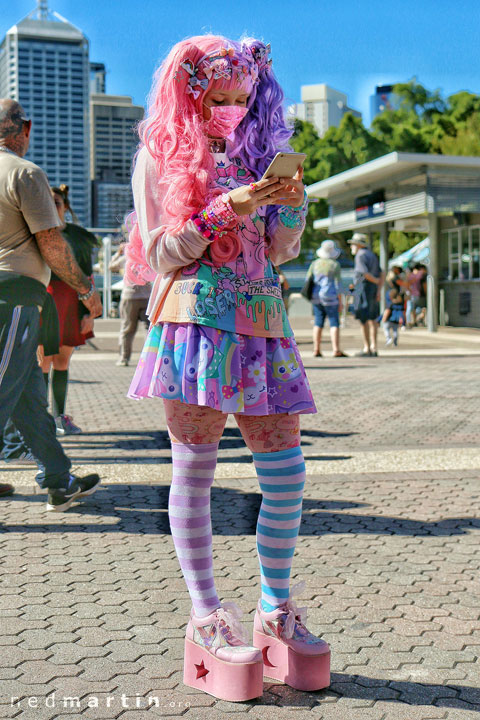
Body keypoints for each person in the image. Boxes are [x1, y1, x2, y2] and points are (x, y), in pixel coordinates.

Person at [125, 36, 330, 701]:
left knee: (288, 475)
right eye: (220, 99)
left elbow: (278, 252)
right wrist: (226, 208)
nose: (234, 111)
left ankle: (275, 607)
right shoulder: (159, 157)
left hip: (263, 327)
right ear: (190, 94)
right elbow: (161, 253)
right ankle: (207, 615)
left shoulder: (253, 153)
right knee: (196, 470)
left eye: (244, 99)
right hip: (193, 325)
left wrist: (290, 206)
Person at [0, 99, 102, 510]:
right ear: (24, 129)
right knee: (6, 389)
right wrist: (83, 288)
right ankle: (59, 479)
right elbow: (51, 242)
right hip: (15, 295)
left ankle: (59, 480)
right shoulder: (24, 173)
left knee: (26, 394)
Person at [40, 185, 99, 435]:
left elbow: (88, 274)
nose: (53, 206)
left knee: (63, 360)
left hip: (73, 300)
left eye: (57, 202)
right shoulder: (38, 232)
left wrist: (90, 314)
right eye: (49, 202)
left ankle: (59, 417)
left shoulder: (79, 235)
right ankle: (40, 420)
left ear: (65, 206)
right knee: (43, 361)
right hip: (45, 299)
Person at [109, 241, 151, 366]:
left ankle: (124, 358)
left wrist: (118, 253)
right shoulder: (147, 256)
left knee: (127, 329)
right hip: (146, 297)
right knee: (149, 329)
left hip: (129, 296)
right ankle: (149, 358)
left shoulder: (127, 257)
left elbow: (111, 266)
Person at [306, 239, 347, 358]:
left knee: (318, 322)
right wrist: (340, 301)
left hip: (316, 296)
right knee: (334, 322)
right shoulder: (335, 265)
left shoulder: (314, 264)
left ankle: (316, 349)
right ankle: (336, 349)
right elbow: (338, 284)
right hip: (331, 296)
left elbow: (308, 279)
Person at [349, 232, 383, 357]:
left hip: (363, 288)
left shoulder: (360, 255)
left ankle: (366, 347)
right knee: (373, 318)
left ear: (358, 245)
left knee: (363, 319)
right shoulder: (372, 254)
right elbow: (381, 272)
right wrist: (379, 287)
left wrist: (375, 280)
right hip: (373, 289)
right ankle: (374, 347)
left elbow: (364, 273)